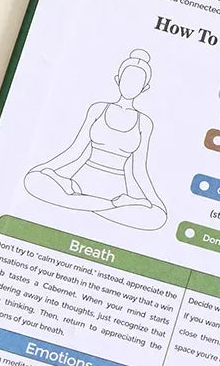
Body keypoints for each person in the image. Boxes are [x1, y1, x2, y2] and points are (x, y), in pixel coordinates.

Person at [23, 49, 167, 230]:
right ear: (118, 79)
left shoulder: (143, 123)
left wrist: (156, 203)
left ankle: (91, 203)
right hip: (78, 182)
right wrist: (44, 169)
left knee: (157, 219)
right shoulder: (98, 109)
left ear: (145, 87)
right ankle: (106, 205)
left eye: (137, 82)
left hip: (118, 190)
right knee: (32, 180)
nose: (131, 85)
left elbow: (139, 168)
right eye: (128, 78)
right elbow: (75, 151)